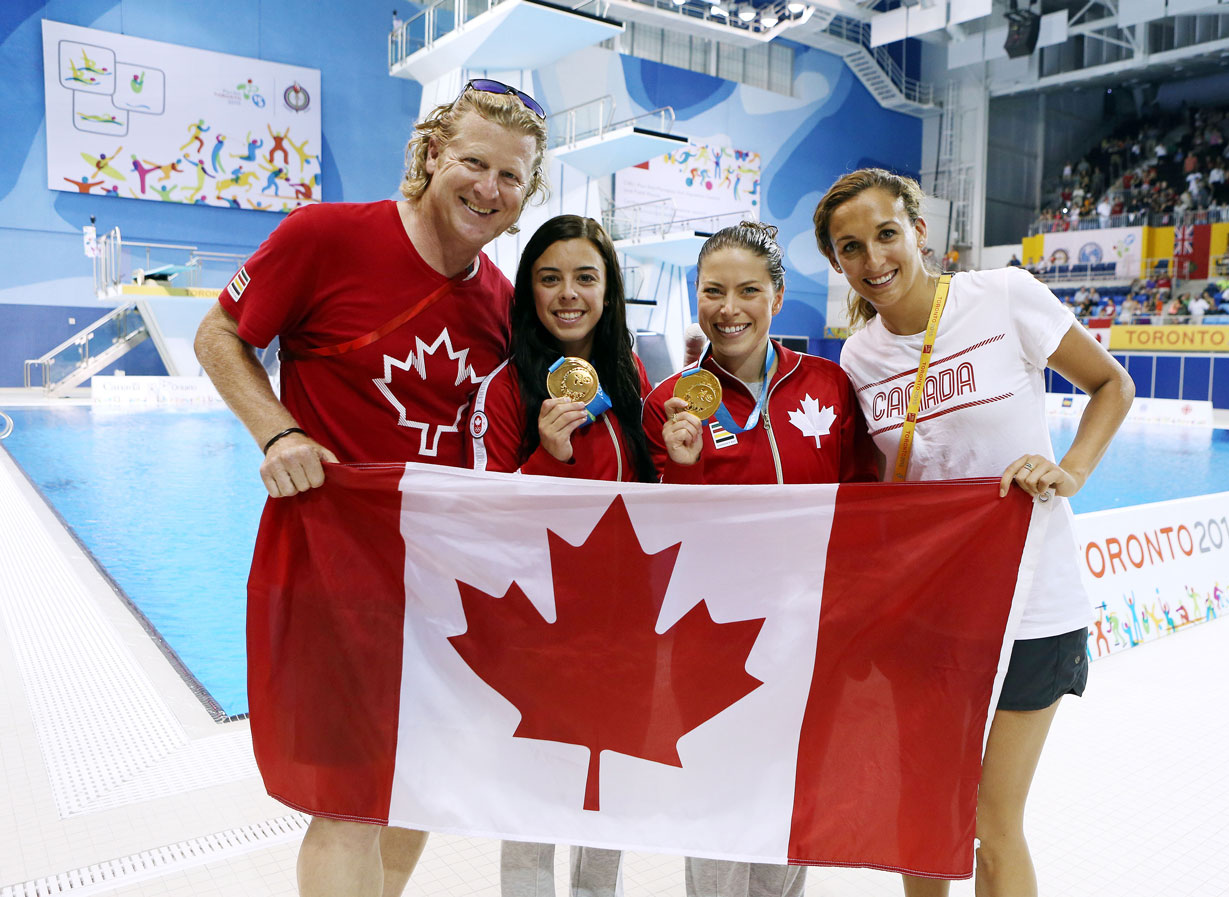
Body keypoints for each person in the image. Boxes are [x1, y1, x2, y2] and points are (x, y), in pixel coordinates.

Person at [193, 80, 548, 897]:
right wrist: (277, 431)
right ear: (432, 152)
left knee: (420, 784)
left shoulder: (502, 305)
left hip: (439, 583)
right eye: (474, 162)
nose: (489, 188)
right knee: (350, 804)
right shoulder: (324, 237)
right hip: (334, 570)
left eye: (512, 176)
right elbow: (219, 334)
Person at [812, 169, 1133, 897]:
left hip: (1031, 604)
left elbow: (1112, 384)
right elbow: (874, 491)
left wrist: (1071, 470)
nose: (874, 259)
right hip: (929, 612)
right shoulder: (858, 358)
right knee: (924, 805)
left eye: (886, 234)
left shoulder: (1004, 297)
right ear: (836, 261)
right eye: (851, 248)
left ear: (919, 230)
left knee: (992, 819)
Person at [643, 221, 880, 897]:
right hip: (713, 644)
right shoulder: (668, 404)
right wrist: (683, 468)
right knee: (716, 810)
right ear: (695, 296)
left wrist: (857, 618)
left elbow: (865, 507)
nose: (730, 308)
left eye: (748, 290)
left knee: (790, 805)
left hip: (810, 639)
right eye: (713, 291)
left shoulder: (828, 386)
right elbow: (660, 546)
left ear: (776, 296)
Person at [469, 214, 653, 896]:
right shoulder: (505, 390)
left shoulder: (630, 375)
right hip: (538, 636)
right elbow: (482, 524)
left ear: (609, 290)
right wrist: (549, 458)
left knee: (609, 800)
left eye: (585, 277)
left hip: (624, 633)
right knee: (535, 804)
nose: (568, 294)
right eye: (550, 278)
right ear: (528, 292)